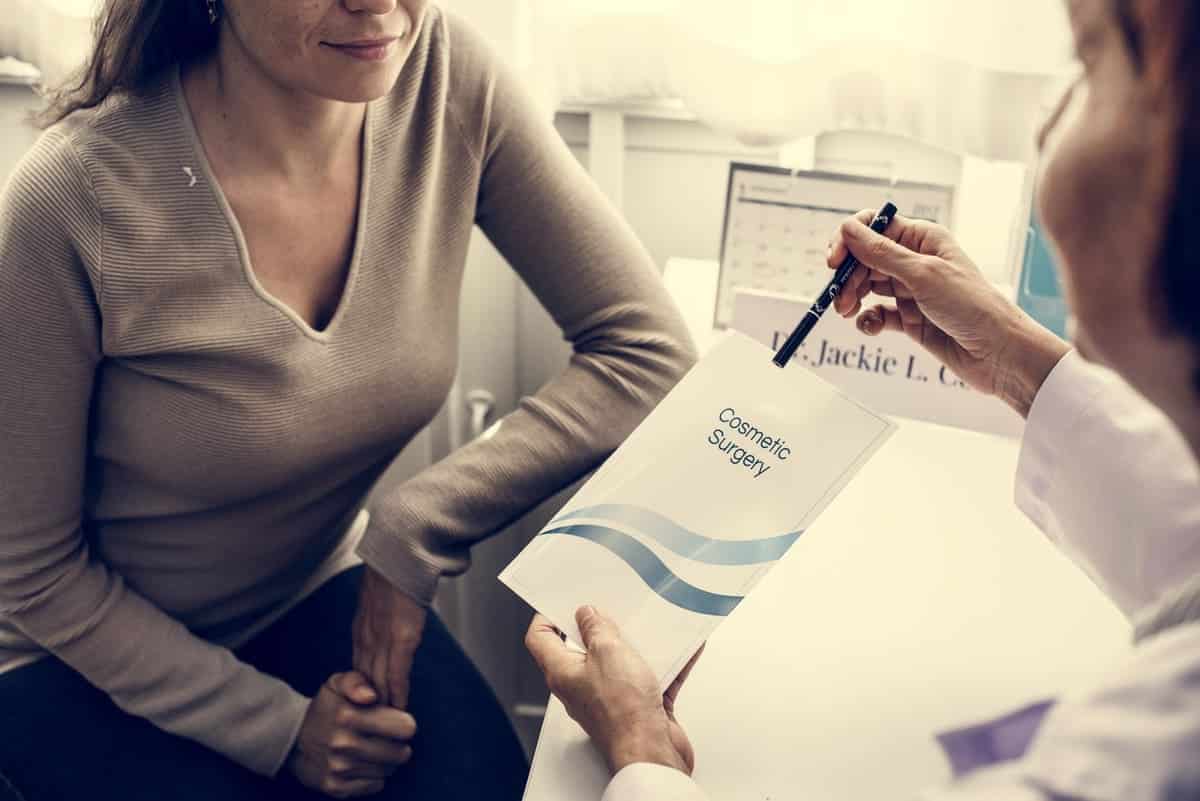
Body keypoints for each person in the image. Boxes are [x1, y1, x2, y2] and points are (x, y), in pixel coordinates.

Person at [0, 0, 696, 799]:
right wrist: (280, 727)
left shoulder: (444, 73)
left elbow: (650, 352)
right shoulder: (69, 198)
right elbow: (34, 576)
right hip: (75, 656)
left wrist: (415, 527)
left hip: (308, 587)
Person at [526, 0, 1200, 798]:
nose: (1045, 124)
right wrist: (1014, 360)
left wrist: (642, 755)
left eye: (1087, 66)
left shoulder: (1146, 755)